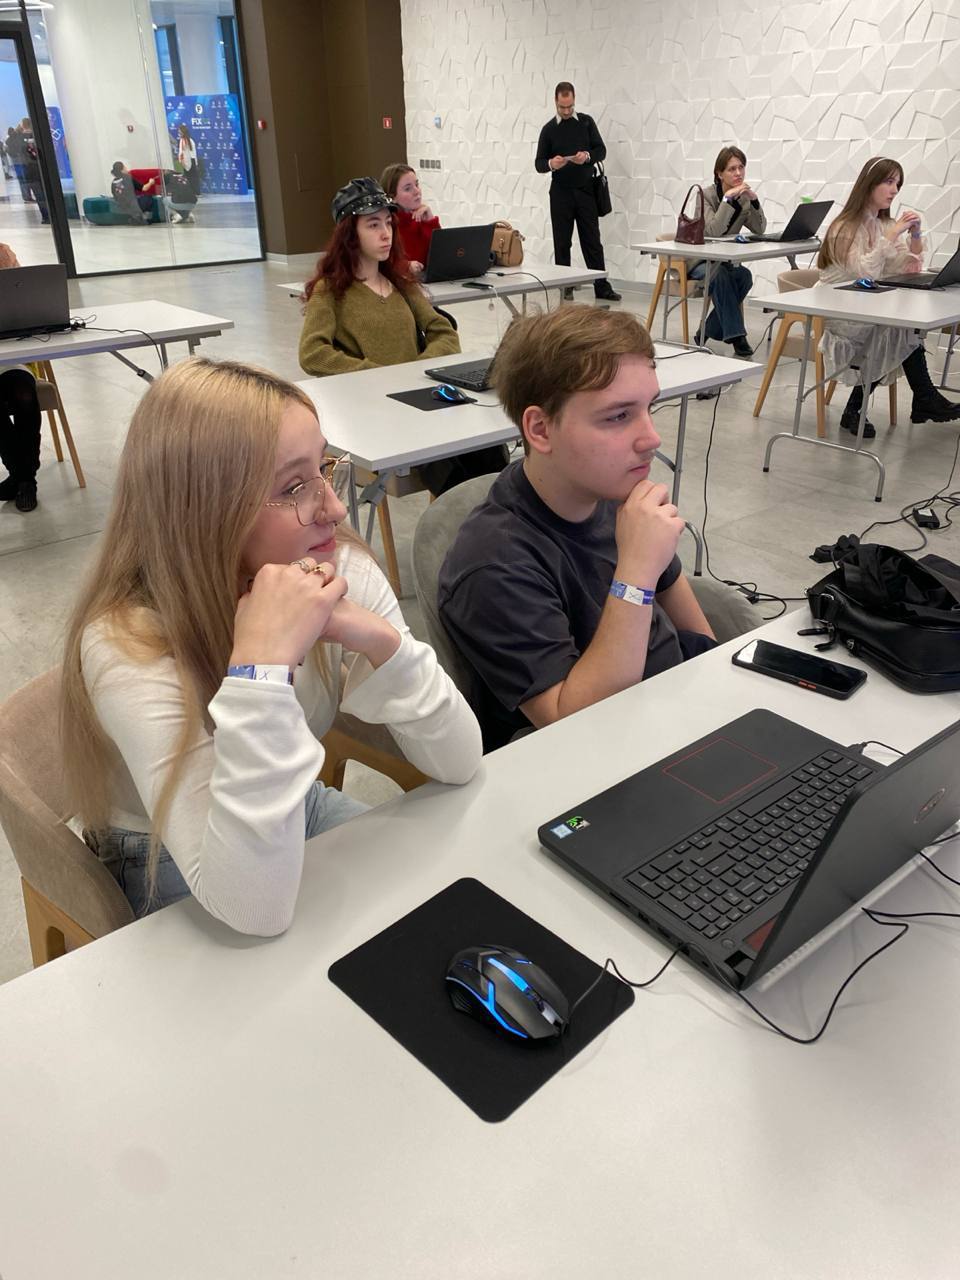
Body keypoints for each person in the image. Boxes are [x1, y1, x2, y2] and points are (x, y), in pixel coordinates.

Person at [60, 357, 482, 934]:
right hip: (160, 848)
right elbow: (253, 909)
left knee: (439, 909)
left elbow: (460, 761)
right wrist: (260, 670)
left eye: (324, 468)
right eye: (293, 487)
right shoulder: (126, 644)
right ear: (204, 512)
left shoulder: (330, 562)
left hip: (289, 801)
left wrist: (384, 642)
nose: (335, 508)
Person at [438, 306, 716, 752]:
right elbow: (573, 723)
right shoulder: (492, 563)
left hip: (675, 722)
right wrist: (635, 574)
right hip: (598, 757)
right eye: (618, 416)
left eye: (649, 408)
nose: (651, 439)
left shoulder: (613, 491)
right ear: (540, 429)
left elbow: (701, 642)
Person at [299, 177, 506, 495]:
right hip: (378, 409)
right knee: (456, 468)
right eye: (373, 225)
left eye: (388, 223)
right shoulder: (330, 290)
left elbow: (443, 331)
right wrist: (377, 373)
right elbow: (312, 352)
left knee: (488, 447)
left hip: (421, 397)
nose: (386, 233)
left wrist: (419, 368)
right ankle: (471, 516)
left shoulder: (399, 281)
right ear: (350, 235)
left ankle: (495, 513)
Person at [818, 155, 960, 435]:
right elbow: (864, 273)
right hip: (839, 311)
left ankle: (871, 407)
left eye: (897, 184)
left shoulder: (882, 223)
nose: (894, 190)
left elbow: (906, 268)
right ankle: (922, 398)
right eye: (888, 182)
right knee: (896, 329)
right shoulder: (844, 227)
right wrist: (892, 235)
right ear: (869, 184)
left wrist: (915, 236)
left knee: (899, 328)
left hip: (867, 306)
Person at [535, 81, 621, 303]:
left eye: (570, 106)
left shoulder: (586, 122)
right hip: (560, 193)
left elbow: (601, 150)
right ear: (555, 102)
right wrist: (552, 164)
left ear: (574, 101)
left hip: (585, 190)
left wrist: (587, 157)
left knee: (592, 241)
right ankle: (565, 286)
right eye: (562, 107)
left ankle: (601, 286)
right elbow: (539, 163)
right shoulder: (548, 129)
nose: (566, 111)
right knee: (562, 242)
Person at [691, 146, 766, 357]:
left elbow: (759, 229)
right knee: (720, 276)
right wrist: (727, 200)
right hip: (700, 261)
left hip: (725, 261)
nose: (738, 173)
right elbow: (711, 231)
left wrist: (754, 200)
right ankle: (737, 337)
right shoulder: (705, 195)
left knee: (744, 276)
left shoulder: (743, 198)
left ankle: (706, 330)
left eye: (741, 167)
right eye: (732, 169)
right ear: (719, 173)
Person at [0, 241, 42, 512]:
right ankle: (24, 478)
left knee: (24, 393)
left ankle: (20, 478)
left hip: (11, 352)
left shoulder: (2, 252)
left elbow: (23, 299)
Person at [380, 163, 439, 274]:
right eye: (408, 189)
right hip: (400, 282)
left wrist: (430, 221)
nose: (417, 191)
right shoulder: (387, 224)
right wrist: (404, 266)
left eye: (417, 184)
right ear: (392, 197)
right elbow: (380, 265)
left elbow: (442, 256)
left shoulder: (421, 218)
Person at [176, 123, 200, 197]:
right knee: (192, 177)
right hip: (190, 161)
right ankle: (195, 192)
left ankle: (194, 192)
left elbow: (182, 152)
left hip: (188, 161)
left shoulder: (185, 141)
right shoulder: (189, 140)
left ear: (183, 132)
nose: (179, 133)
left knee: (191, 177)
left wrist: (181, 160)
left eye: (180, 132)